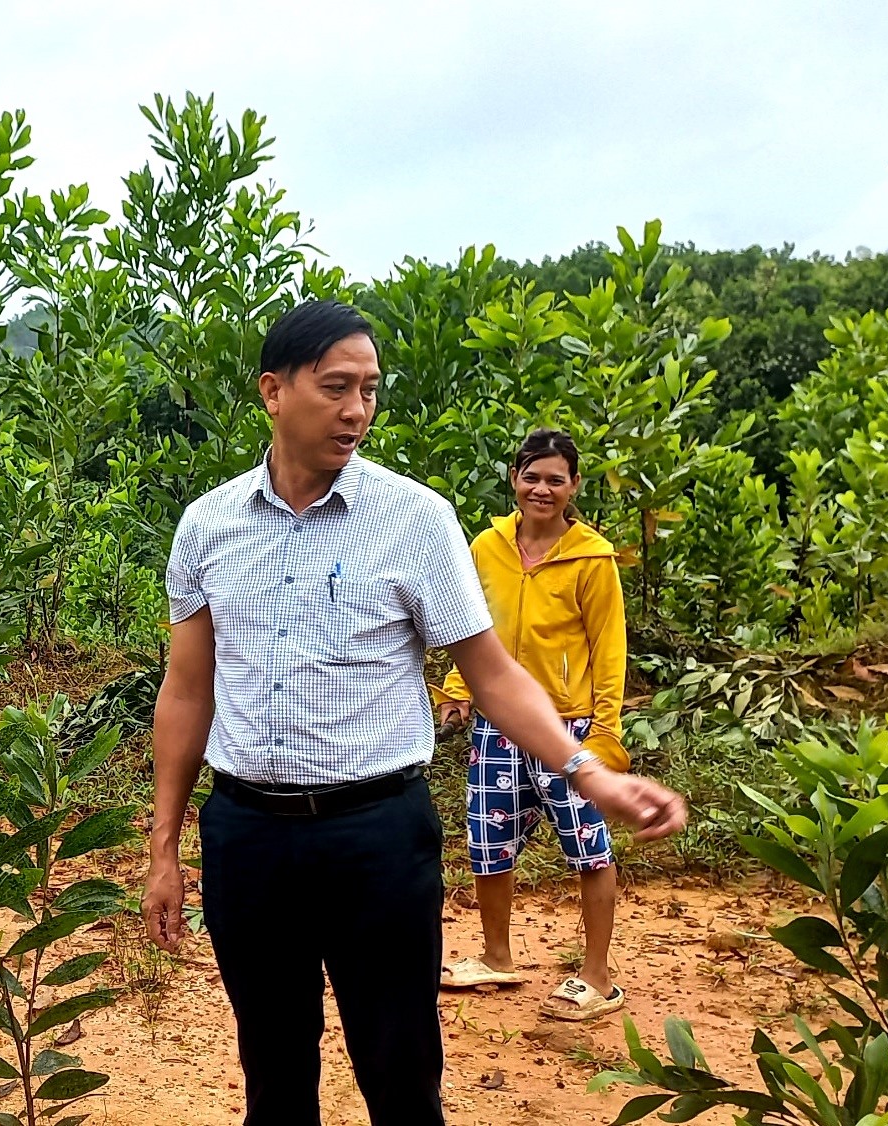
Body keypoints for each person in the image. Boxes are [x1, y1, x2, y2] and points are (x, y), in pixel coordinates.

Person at [139, 299, 686, 1125]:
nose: (357, 409)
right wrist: (164, 845)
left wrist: (588, 774)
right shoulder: (208, 525)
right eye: (335, 387)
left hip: (377, 837)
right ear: (273, 392)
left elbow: (492, 675)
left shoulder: (416, 520)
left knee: (400, 1071)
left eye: (369, 389)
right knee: (273, 1071)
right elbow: (187, 690)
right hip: (248, 837)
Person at [436, 428, 629, 1020]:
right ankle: (496, 958)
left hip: (567, 726)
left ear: (573, 486)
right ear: (514, 479)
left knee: (588, 846)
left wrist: (606, 730)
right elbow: (470, 623)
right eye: (531, 476)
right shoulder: (486, 547)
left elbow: (609, 647)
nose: (541, 489)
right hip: (497, 726)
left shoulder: (593, 558)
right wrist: (457, 688)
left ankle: (597, 976)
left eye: (555, 479)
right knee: (488, 845)